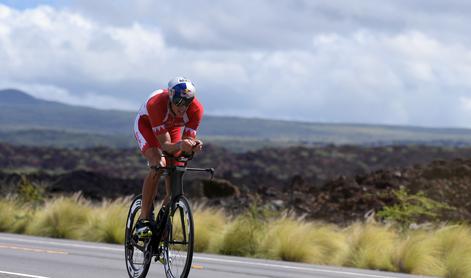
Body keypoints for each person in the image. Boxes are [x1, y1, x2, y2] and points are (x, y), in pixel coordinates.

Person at [133, 77, 204, 238]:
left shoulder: (196, 110)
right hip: (147, 126)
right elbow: (165, 146)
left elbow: (186, 143)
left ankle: (164, 219)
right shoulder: (156, 104)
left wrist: (193, 146)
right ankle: (143, 219)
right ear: (171, 97)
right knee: (158, 164)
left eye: (187, 102)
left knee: (177, 170)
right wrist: (180, 145)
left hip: (171, 128)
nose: (183, 107)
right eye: (178, 102)